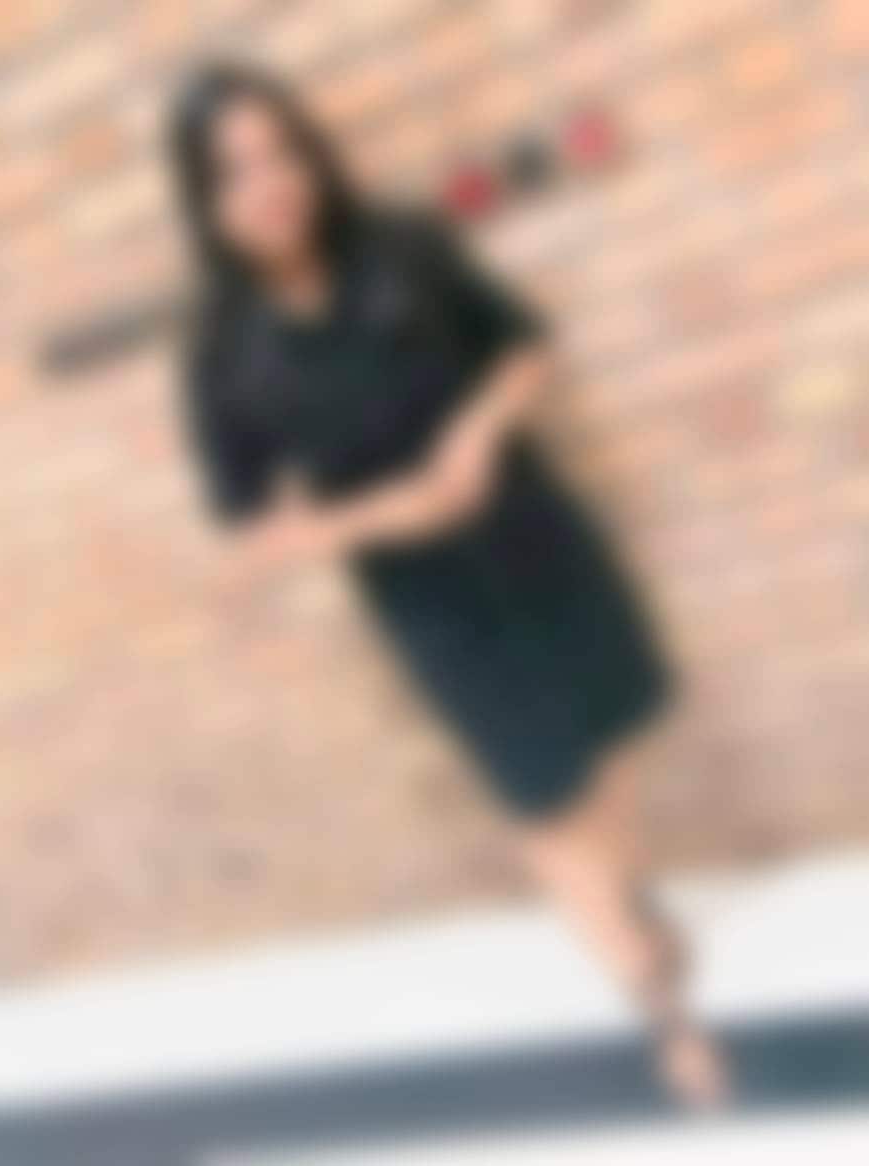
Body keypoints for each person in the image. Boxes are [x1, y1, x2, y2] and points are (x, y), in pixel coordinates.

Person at [169, 63, 728, 1108]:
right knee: (543, 797)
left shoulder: (401, 243)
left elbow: (523, 346)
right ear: (203, 200)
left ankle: (628, 899)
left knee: (602, 740)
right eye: (233, 171)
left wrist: (475, 431)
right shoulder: (220, 355)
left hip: (534, 533)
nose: (269, 183)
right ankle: (660, 1003)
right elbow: (247, 532)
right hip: (431, 601)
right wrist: (382, 515)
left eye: (280, 152)